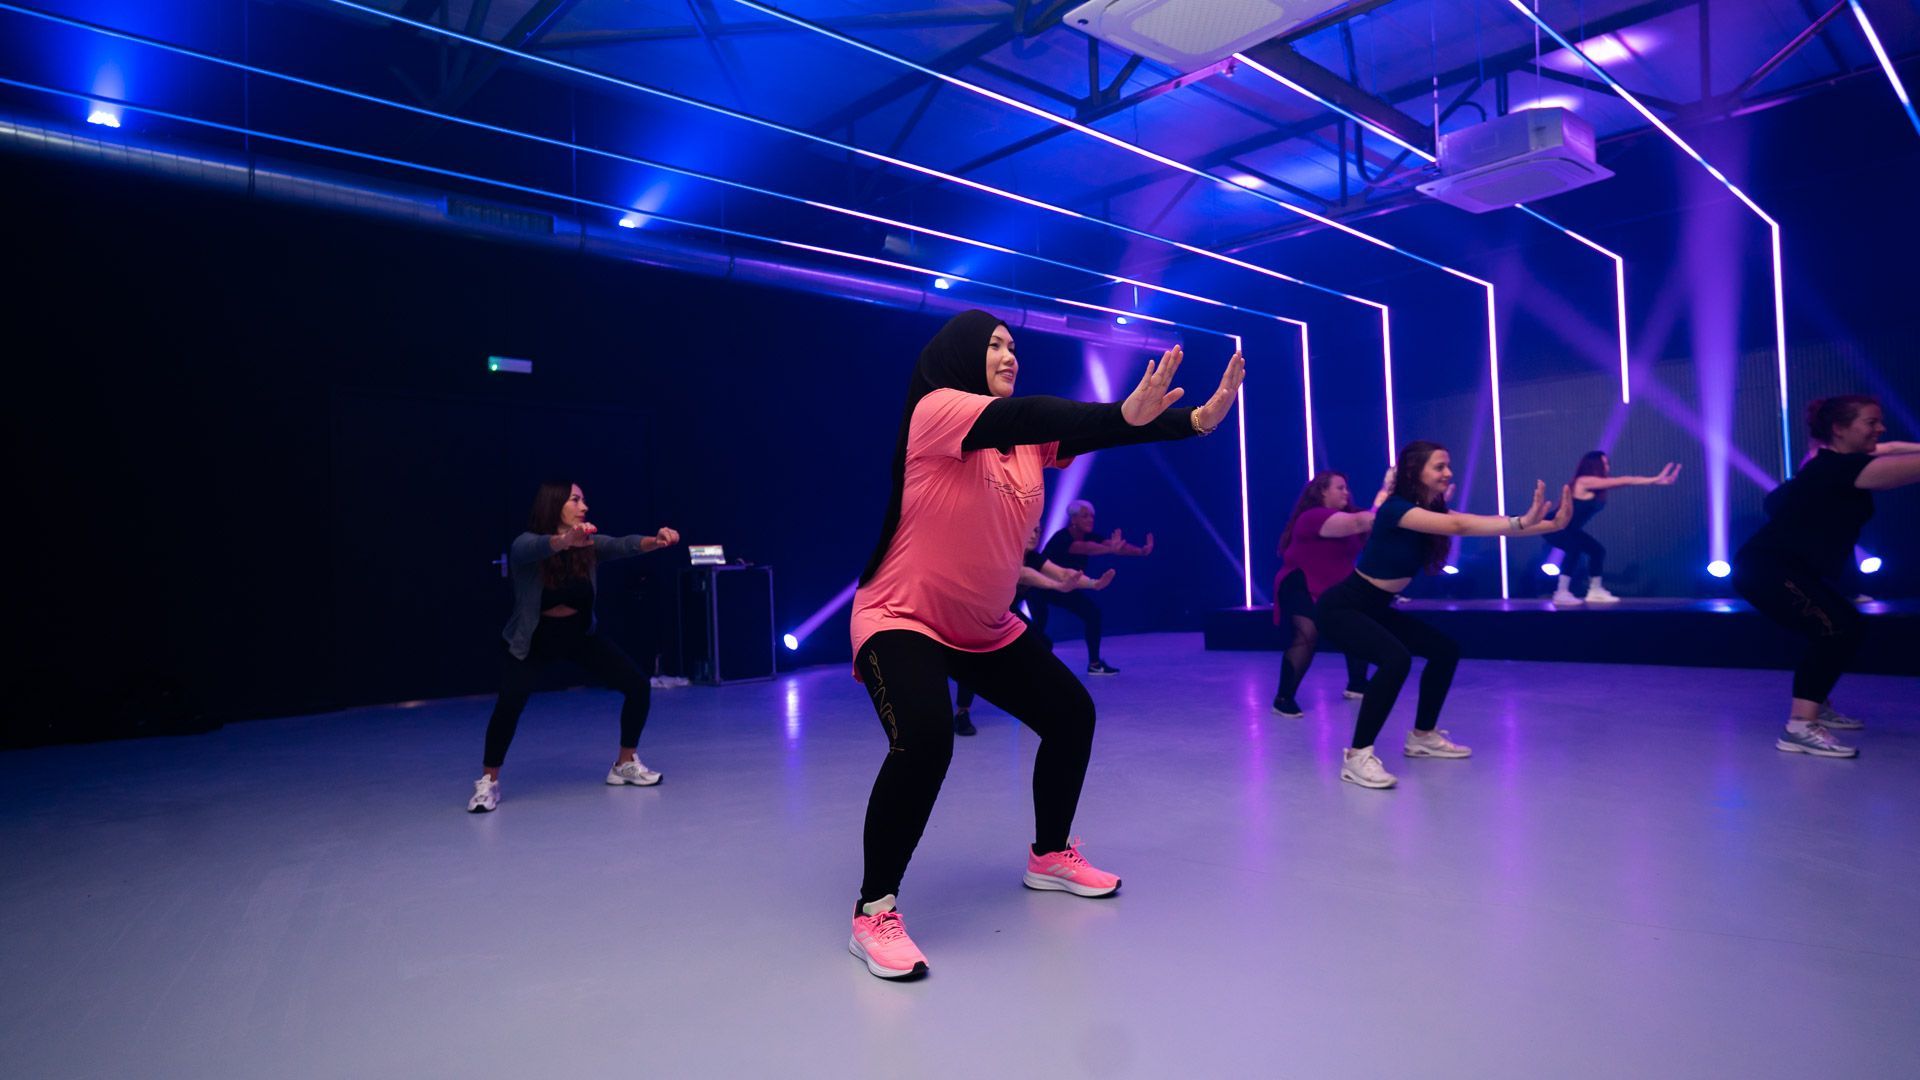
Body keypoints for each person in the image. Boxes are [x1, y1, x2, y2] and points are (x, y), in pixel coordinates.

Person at [846, 309, 1243, 979]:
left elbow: (1094, 433)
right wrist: (1122, 408)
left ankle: (1049, 854)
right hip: (901, 615)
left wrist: (1197, 419)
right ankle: (873, 909)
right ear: (963, 354)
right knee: (925, 735)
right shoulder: (937, 410)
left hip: (984, 625)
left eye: (1014, 347)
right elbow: (1035, 416)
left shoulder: (1028, 444)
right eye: (995, 345)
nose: (1009, 355)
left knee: (1071, 714)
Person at [1315, 442, 1572, 790]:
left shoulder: (1425, 509)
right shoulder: (1395, 509)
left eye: (1448, 466)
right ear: (1414, 471)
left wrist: (1549, 525)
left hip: (1375, 607)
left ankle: (1422, 735)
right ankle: (1357, 756)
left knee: (1444, 650)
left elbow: (1461, 522)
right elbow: (1463, 526)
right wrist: (1520, 520)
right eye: (1439, 467)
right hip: (1344, 607)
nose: (1448, 473)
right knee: (1395, 660)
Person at [467, 482, 680, 813]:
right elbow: (536, 547)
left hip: (578, 635)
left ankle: (624, 764)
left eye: (584, 500)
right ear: (555, 505)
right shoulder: (526, 544)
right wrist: (565, 541)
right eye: (576, 500)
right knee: (509, 705)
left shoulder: (588, 545)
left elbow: (622, 545)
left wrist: (656, 541)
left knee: (637, 685)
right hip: (532, 641)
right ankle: (488, 782)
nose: (584, 506)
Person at [1731, 396, 1920, 758]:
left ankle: (1816, 704)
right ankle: (1799, 728)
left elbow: (1892, 451)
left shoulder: (1845, 463)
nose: (1880, 429)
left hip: (1788, 567)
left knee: (1842, 627)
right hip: (1766, 567)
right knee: (1838, 628)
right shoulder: (1832, 468)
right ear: (1839, 429)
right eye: (1870, 422)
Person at [953, 524, 1112, 736]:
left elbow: (1063, 573)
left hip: (1004, 612)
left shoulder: (1035, 558)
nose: (1034, 534)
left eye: (1038, 530)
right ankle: (962, 713)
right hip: (976, 612)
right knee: (971, 659)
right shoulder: (1003, 553)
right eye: (1030, 529)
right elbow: (1023, 574)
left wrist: (1094, 583)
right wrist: (1056, 586)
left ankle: (1032, 698)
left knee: (1041, 643)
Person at [1271, 468, 1392, 717]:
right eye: (1340, 488)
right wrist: (1384, 493)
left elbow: (1379, 524)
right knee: (1307, 635)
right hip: (1301, 582)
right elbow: (1365, 521)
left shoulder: (1349, 516)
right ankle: (1283, 698)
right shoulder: (1313, 516)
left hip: (1334, 584)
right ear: (1322, 491)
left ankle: (1357, 684)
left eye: (1347, 488)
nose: (1346, 492)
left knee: (1357, 626)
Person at [1547, 452, 1681, 605]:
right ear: (1593, 465)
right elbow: (1623, 481)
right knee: (1574, 549)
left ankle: (1595, 591)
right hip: (1554, 525)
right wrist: (1654, 480)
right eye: (1603, 463)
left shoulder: (1594, 487)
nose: (1607, 467)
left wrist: (1654, 482)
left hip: (1569, 529)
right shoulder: (1583, 481)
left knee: (1597, 551)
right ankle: (1561, 592)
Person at [1033, 501, 1151, 675]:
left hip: (1066, 586)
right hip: (1040, 586)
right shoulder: (1062, 537)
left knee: (1093, 614)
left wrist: (1141, 551)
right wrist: (1110, 548)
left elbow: (1117, 547)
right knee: (1039, 625)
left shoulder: (1090, 535)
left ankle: (1095, 664)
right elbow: (1086, 548)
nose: (1090, 520)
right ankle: (1029, 664)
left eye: (1092, 516)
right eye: (1085, 516)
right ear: (1073, 519)